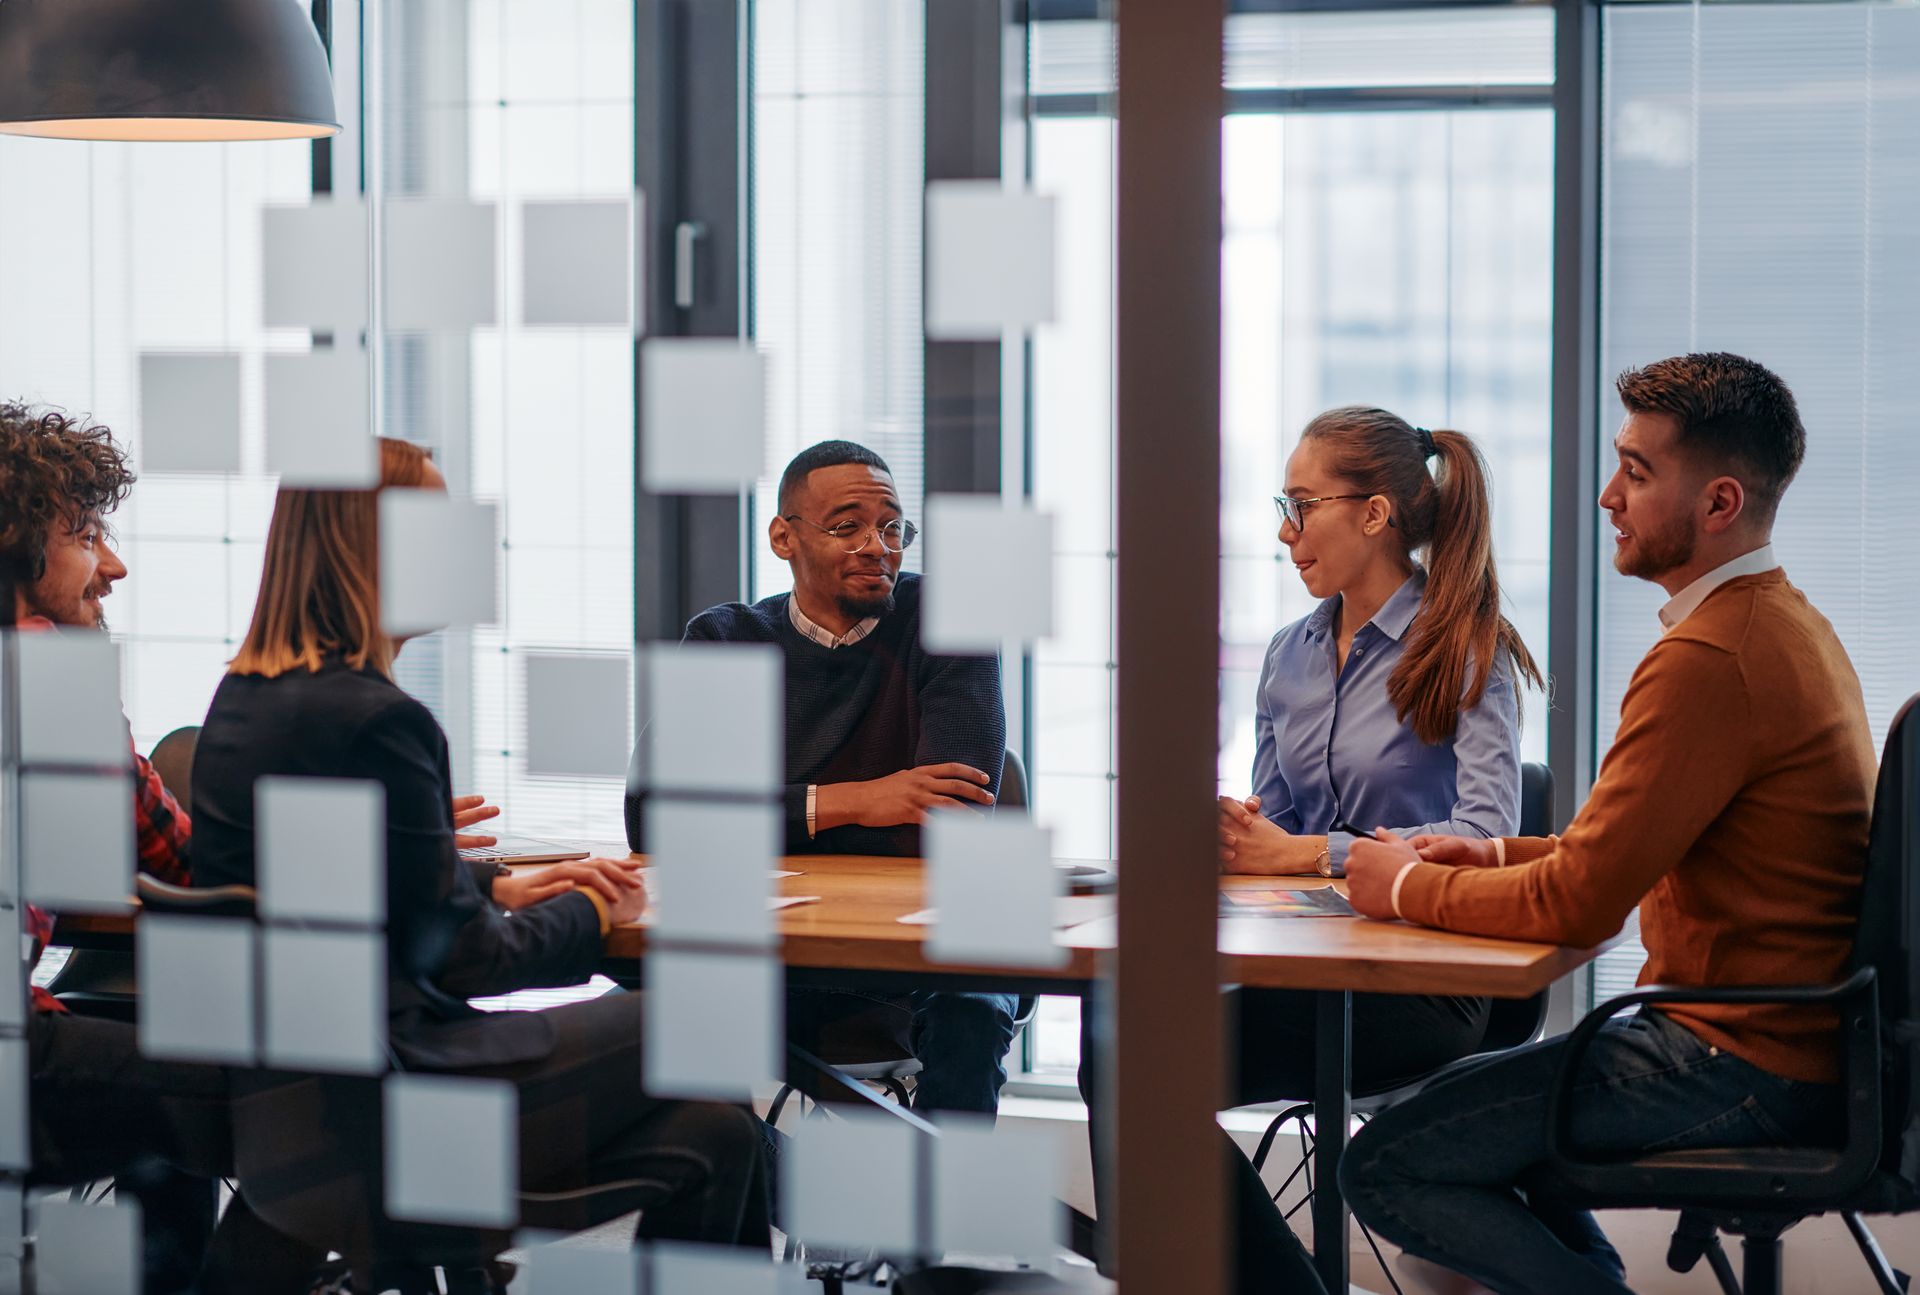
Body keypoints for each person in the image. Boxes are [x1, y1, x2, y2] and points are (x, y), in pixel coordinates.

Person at [1340, 352, 1873, 1295]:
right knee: (1462, 1132)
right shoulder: (1783, 625)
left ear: (1716, 504)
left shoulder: (1711, 657)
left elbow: (1583, 904)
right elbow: (1633, 847)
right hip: (1791, 1043)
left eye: (1635, 472)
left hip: (1735, 1058)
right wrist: (1493, 850)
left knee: (1388, 1162)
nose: (1606, 497)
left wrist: (1409, 886)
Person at [190, 437, 771, 1260]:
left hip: (291, 1117)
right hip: (402, 1098)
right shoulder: (379, 720)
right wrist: (591, 909)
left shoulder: (247, 700)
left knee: (717, 1134)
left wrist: (488, 884)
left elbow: (324, 883)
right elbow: (467, 962)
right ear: (368, 544)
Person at [1077, 407, 1541, 1294]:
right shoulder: (1287, 657)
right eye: (1280, 509)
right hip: (1301, 965)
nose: (1284, 534)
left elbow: (1487, 840)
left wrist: (1306, 854)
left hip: (1424, 983)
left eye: (1300, 505)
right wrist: (1232, 834)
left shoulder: (1464, 647)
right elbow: (1271, 834)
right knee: (1121, 1052)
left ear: (1374, 514)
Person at [624, 440, 1017, 1116]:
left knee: (974, 1005)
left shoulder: (951, 625)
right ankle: (755, 1194)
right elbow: (659, 821)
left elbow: (953, 811)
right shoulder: (726, 642)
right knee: (653, 1009)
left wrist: (751, 819)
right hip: (766, 954)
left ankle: (947, 1215)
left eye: (892, 527)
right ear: (784, 537)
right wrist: (861, 800)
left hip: (915, 954)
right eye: (848, 526)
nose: (877, 545)